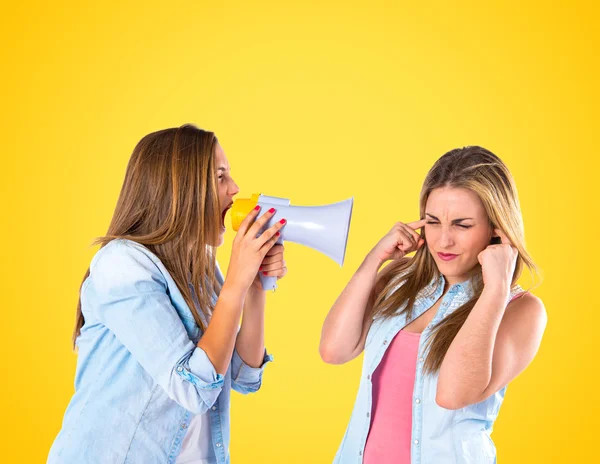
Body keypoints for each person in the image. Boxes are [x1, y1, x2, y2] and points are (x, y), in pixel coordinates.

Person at [48, 124, 288, 464]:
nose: (235, 190)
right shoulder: (121, 265)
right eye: (221, 177)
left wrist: (255, 286)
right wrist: (235, 282)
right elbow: (193, 387)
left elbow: (242, 376)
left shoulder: (203, 268)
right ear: (181, 188)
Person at [320, 146, 547, 463]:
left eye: (462, 224)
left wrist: (494, 289)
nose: (443, 240)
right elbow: (334, 350)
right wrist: (375, 260)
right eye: (433, 221)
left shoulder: (520, 310)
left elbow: (452, 394)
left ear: (498, 230)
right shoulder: (401, 281)